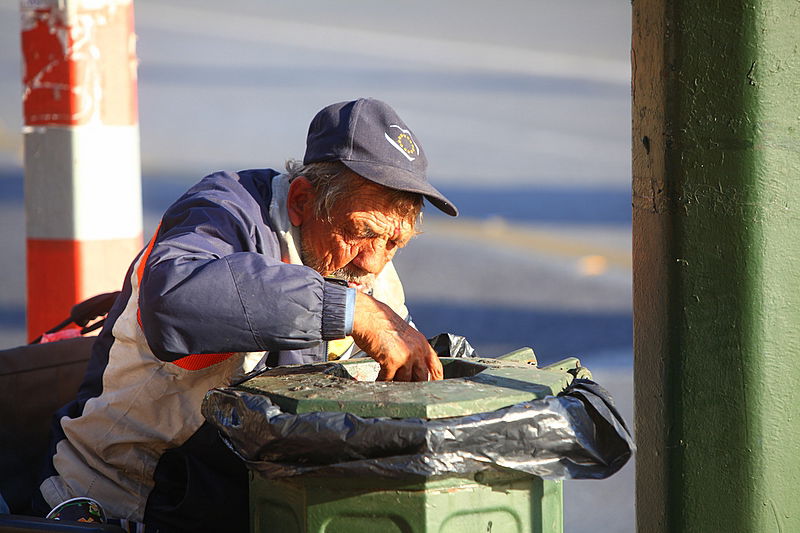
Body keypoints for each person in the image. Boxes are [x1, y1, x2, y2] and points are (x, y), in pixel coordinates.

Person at [34, 98, 458, 532]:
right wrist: (349, 310)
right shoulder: (224, 212)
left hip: (256, 501)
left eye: (395, 242)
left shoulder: (371, 268)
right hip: (125, 499)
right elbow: (173, 301)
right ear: (300, 200)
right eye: (360, 232)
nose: (374, 262)